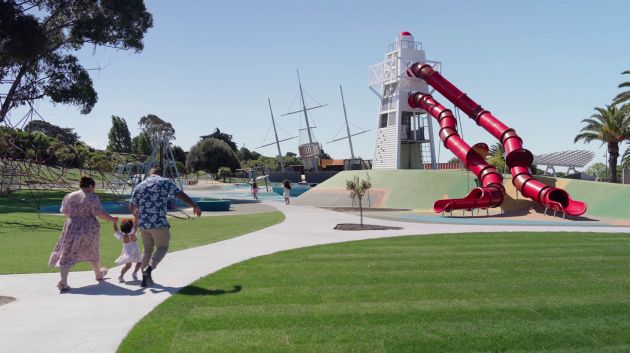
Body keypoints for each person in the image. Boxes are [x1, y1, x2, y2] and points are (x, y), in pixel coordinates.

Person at [129, 167, 202, 287]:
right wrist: (194, 205)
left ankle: (144, 278)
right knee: (162, 247)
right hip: (158, 223)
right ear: (161, 174)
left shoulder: (140, 185)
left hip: (143, 224)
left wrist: (139, 213)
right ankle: (149, 269)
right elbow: (180, 195)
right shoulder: (165, 181)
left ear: (150, 174)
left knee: (147, 250)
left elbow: (131, 206)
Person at [49, 176, 118, 291]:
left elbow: (64, 212)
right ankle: (98, 274)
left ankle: (63, 281)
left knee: (67, 252)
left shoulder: (69, 196)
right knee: (92, 250)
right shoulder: (92, 197)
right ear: (90, 186)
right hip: (89, 228)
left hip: (71, 226)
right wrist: (112, 219)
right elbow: (98, 212)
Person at [113, 218, 142, 283]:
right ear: (131, 228)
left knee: (128, 266)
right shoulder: (133, 234)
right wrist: (136, 217)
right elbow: (136, 226)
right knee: (140, 262)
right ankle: (134, 273)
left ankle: (121, 276)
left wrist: (114, 222)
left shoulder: (122, 236)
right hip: (135, 252)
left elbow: (116, 230)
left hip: (127, 254)